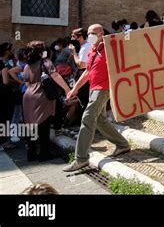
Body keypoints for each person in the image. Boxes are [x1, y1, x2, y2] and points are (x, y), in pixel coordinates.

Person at [63, 24, 130, 172]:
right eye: (88, 33)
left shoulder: (110, 48)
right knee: (99, 119)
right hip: (93, 88)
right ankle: (122, 144)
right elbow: (87, 72)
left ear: (102, 34)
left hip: (103, 89)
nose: (90, 35)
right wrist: (74, 89)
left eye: (93, 33)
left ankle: (81, 159)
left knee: (87, 117)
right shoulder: (92, 51)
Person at [23, 41, 70, 161]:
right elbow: (55, 76)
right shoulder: (46, 62)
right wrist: (67, 89)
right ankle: (44, 154)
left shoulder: (27, 66)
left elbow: (27, 82)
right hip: (42, 96)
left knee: (31, 126)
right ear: (41, 51)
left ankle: (31, 154)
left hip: (28, 96)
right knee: (44, 125)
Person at [69, 28, 91, 119]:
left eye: (74, 37)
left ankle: (85, 124)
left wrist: (74, 52)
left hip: (84, 74)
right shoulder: (86, 45)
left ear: (81, 37)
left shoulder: (85, 48)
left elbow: (80, 65)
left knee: (84, 100)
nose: (72, 39)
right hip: (86, 74)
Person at [0, 42, 15, 145]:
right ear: (7, 51)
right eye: (11, 50)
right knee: (5, 118)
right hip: (4, 95)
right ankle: (4, 142)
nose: (13, 51)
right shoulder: (3, 65)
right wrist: (15, 81)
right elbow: (5, 81)